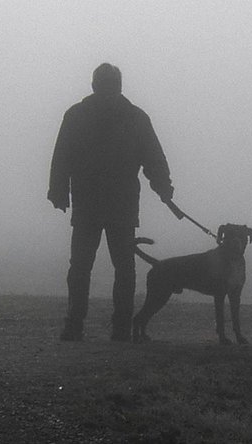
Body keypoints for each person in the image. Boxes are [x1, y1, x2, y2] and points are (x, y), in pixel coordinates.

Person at [48, 63, 174, 342]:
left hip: (93, 203)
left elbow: (61, 158)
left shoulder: (78, 116)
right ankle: (119, 328)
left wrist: (58, 191)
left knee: (83, 266)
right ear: (119, 86)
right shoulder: (135, 118)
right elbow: (153, 159)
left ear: (94, 85)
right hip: (118, 204)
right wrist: (164, 188)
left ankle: (76, 324)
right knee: (121, 268)